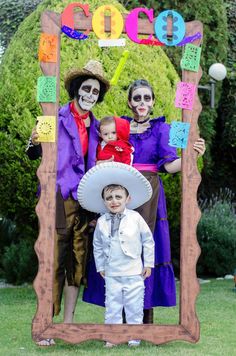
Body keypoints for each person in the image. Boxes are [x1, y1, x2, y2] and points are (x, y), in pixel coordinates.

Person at [83, 79, 206, 324]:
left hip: (148, 191)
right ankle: (118, 317)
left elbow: (170, 167)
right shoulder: (120, 126)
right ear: (130, 102)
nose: (142, 102)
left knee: (145, 247)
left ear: (152, 102)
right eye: (137, 98)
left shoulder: (163, 129)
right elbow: (100, 140)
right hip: (121, 188)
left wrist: (191, 155)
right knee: (117, 246)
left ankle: (144, 316)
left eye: (146, 98)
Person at [26, 60, 110, 345]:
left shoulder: (98, 127)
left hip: (85, 201)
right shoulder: (55, 117)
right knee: (53, 261)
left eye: (95, 92)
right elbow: (33, 152)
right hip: (58, 199)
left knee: (78, 262)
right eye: (86, 89)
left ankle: (68, 324)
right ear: (76, 89)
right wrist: (34, 140)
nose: (90, 95)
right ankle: (46, 324)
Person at [77, 162, 154, 347]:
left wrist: (148, 264)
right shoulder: (102, 222)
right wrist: (101, 266)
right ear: (104, 201)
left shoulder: (136, 218)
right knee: (113, 305)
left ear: (128, 199)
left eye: (118, 197)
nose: (114, 201)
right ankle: (113, 336)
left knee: (134, 305)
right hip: (112, 272)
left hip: (134, 271)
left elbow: (148, 241)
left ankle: (134, 336)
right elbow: (97, 245)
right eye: (109, 198)